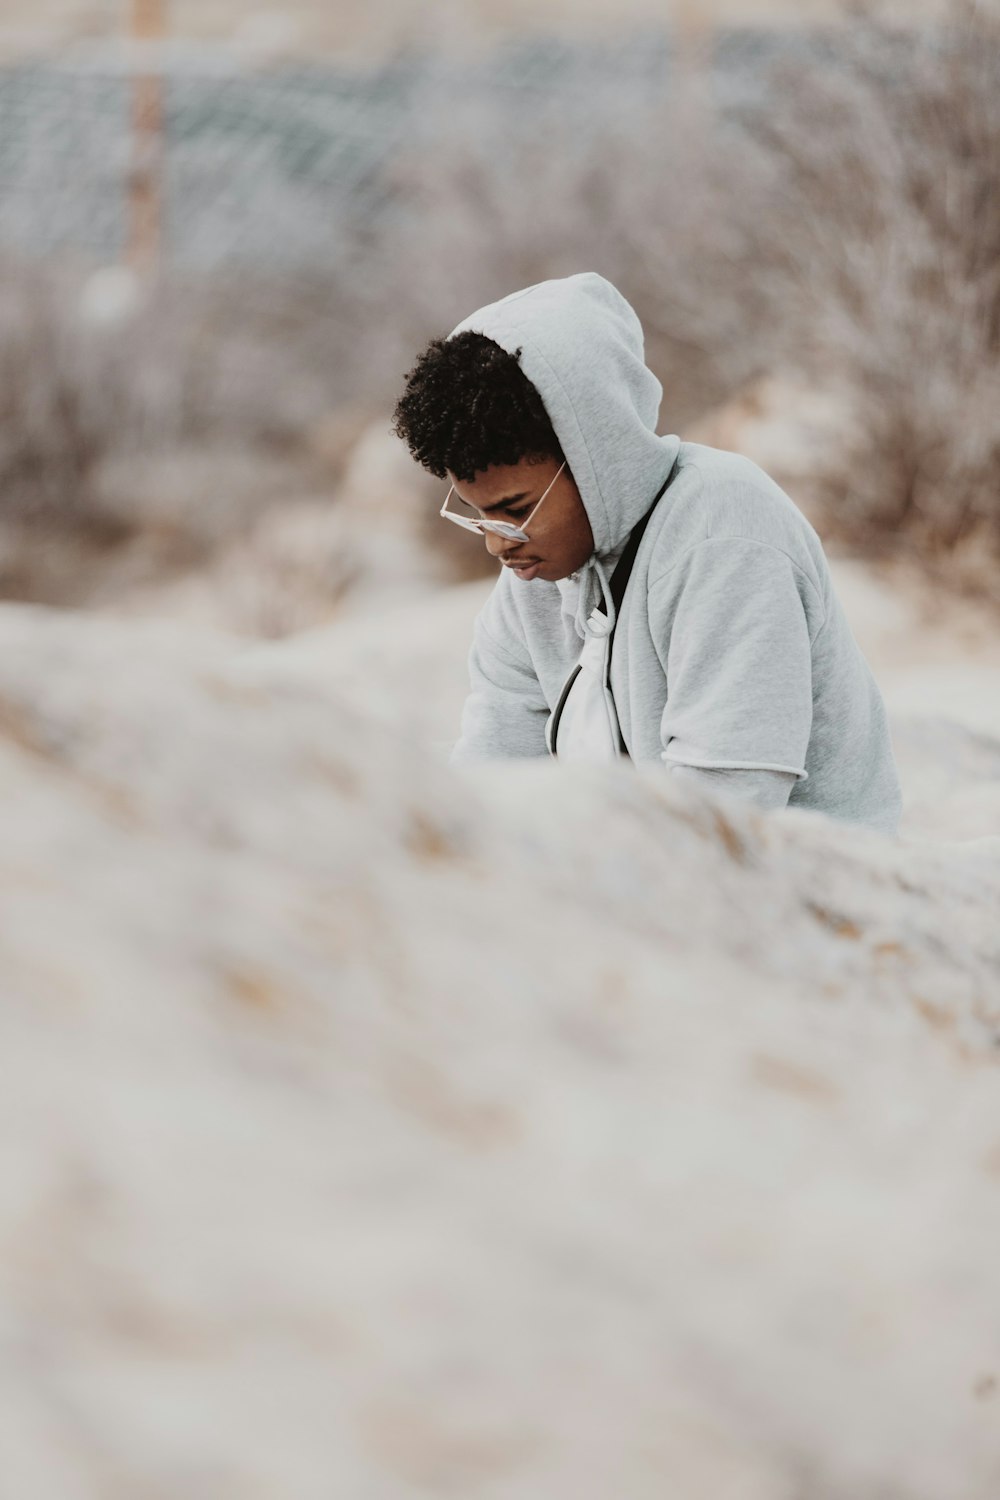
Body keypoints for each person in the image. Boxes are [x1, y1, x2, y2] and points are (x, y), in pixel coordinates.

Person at [391, 271, 902, 834]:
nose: (496, 543)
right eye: (477, 512)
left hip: (810, 900)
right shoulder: (539, 576)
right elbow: (493, 773)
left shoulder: (723, 535)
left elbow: (729, 814)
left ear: (592, 458)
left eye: (516, 509)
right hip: (636, 884)